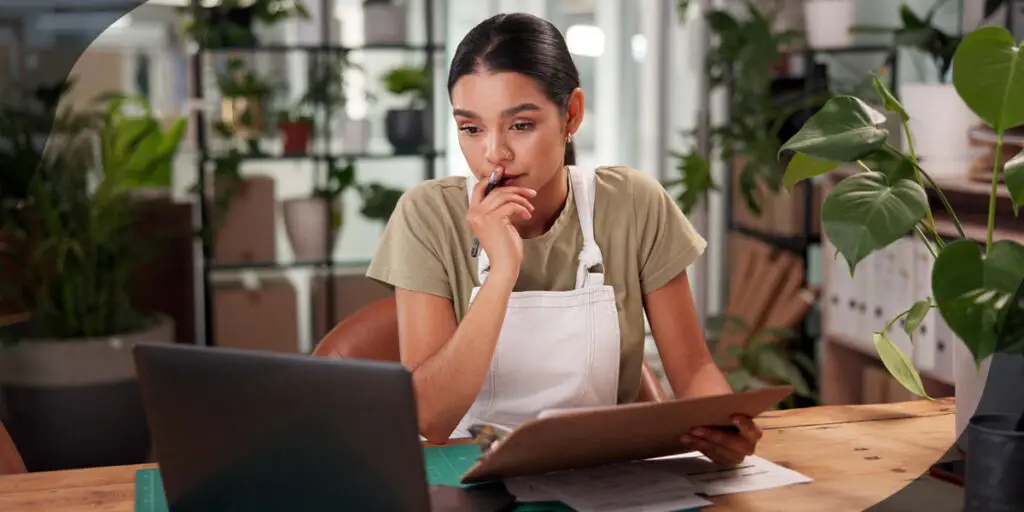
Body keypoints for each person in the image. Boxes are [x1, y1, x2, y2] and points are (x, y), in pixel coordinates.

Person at [365, 12, 761, 467]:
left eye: (520, 125)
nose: (494, 153)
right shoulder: (427, 215)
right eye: (471, 129)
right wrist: (501, 274)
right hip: (464, 477)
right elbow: (431, 418)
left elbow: (693, 371)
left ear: (571, 114)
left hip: (597, 476)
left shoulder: (632, 203)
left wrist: (723, 430)